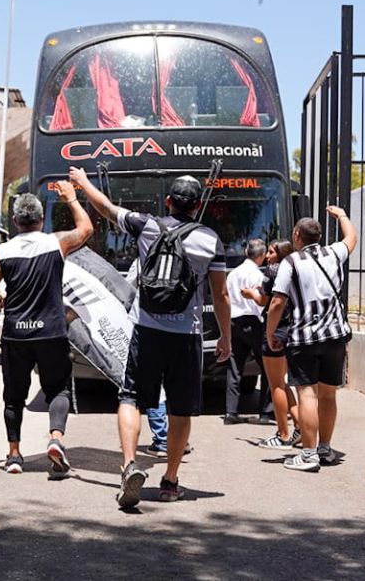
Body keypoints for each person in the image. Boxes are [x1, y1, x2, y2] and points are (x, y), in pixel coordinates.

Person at [70, 168, 230, 506]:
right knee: (180, 408)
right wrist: (226, 337)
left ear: (169, 201)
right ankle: (170, 480)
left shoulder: (147, 226)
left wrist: (83, 183)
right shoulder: (210, 240)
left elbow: (106, 208)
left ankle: (129, 465)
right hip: (187, 335)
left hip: (146, 329)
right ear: (198, 204)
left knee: (130, 398)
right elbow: (221, 296)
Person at [0, 185, 93, 479]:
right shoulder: (55, 243)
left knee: (13, 396)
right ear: (42, 219)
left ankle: (15, 454)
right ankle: (56, 438)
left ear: (15, 222)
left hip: (16, 333)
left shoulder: (2, 253)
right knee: (58, 388)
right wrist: (70, 198)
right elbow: (86, 228)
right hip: (51, 330)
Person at [266, 206, 358, 472]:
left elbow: (277, 301)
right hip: (335, 336)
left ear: (296, 236)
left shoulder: (290, 262)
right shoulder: (334, 253)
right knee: (328, 395)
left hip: (304, 338)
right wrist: (341, 216)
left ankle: (308, 454)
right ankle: (325, 448)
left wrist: (271, 332)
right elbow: (352, 237)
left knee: (307, 393)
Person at [241, 239, 301, 449]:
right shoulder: (297, 266)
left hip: (275, 329)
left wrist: (250, 294)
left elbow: (264, 301)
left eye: (271, 251)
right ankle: (301, 426)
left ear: (280, 253)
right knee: (284, 383)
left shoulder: (274, 270)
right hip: (294, 329)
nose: (267, 256)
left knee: (276, 384)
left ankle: (283, 433)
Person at [224, 239, 272, 425]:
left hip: (234, 320)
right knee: (267, 366)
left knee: (234, 367)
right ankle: (266, 412)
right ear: (261, 256)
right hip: (254, 321)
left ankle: (230, 412)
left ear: (246, 251)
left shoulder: (233, 274)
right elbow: (261, 300)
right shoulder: (258, 275)